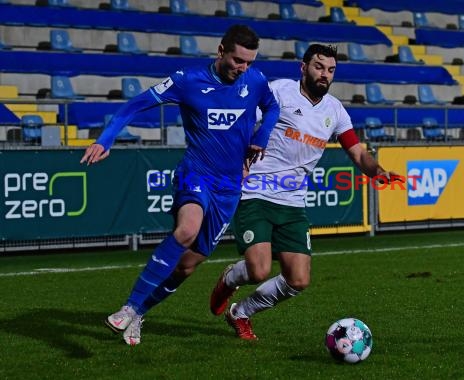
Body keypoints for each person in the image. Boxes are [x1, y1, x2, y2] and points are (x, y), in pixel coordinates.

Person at [154, 43, 402, 340]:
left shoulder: (335, 110)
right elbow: (240, 118)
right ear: (304, 67)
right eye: (319, 67)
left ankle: (241, 312)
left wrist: (377, 171)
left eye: (331, 70)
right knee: (258, 270)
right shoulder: (279, 92)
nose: (325, 74)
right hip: (255, 193)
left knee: (298, 280)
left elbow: (359, 154)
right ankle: (229, 278)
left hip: (293, 202)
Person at [80, 24, 280, 346]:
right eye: (238, 61)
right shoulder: (187, 80)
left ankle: (139, 312)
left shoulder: (254, 81)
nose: (243, 68)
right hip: (196, 172)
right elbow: (134, 105)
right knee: (186, 230)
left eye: (249, 62)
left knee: (186, 267)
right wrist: (106, 139)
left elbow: (272, 107)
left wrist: (261, 135)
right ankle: (128, 307)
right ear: (221, 52)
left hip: (229, 187)